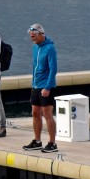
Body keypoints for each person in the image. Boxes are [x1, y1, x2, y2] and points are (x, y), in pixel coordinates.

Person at [22, 23, 58, 153]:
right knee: (35, 113)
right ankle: (37, 141)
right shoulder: (35, 48)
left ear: (41, 34)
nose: (32, 39)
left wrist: (47, 87)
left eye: (34, 37)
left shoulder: (50, 48)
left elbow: (53, 69)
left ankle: (52, 143)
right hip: (36, 86)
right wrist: (33, 84)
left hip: (46, 86)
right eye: (31, 37)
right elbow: (34, 66)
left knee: (47, 114)